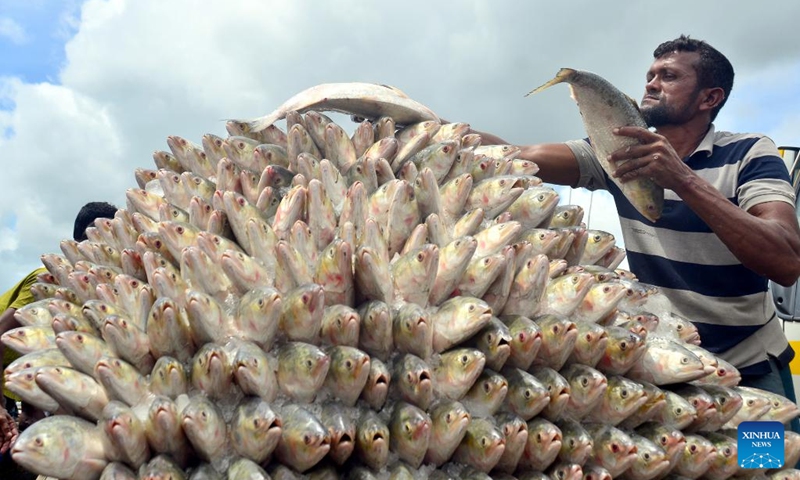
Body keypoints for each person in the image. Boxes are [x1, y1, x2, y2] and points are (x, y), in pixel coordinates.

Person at [477, 35, 800, 423]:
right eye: (650, 74)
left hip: (749, 370)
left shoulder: (749, 153)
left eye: (668, 76)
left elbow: (785, 260)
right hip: (664, 367)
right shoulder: (620, 154)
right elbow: (518, 156)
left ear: (709, 98)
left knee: (763, 469)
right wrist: (431, 125)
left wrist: (680, 178)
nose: (651, 83)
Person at [0, 202, 118, 465]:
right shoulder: (46, 280)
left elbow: (42, 351)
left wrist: (30, 406)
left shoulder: (82, 289)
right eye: (109, 235)